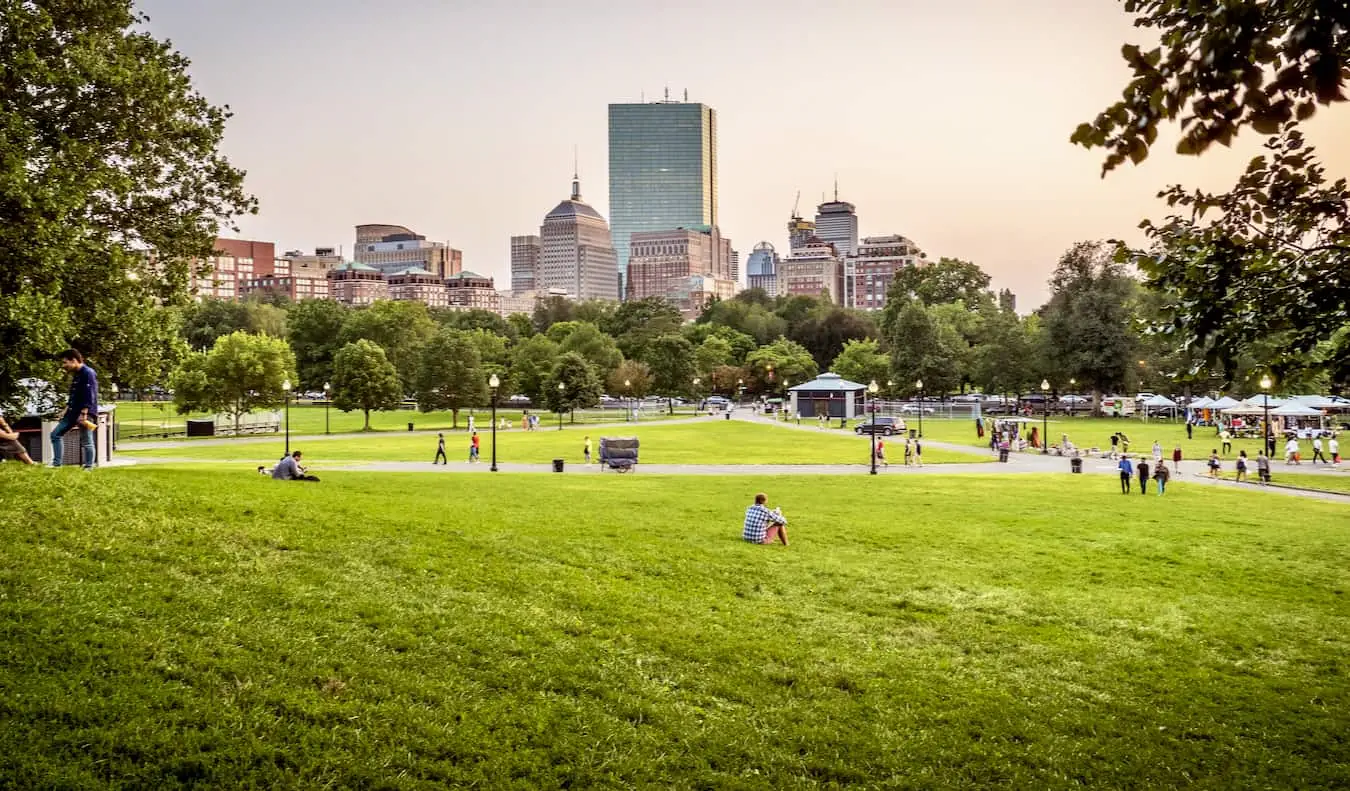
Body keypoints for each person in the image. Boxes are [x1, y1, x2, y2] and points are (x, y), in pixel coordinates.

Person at [49, 349, 99, 469]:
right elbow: (74, 394)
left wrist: (84, 413)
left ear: (74, 360)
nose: (64, 366)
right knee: (55, 434)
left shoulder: (88, 373)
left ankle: (88, 467)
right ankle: (57, 465)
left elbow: (90, 393)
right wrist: (65, 409)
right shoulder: (77, 374)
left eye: (65, 362)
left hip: (84, 413)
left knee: (86, 440)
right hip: (72, 412)